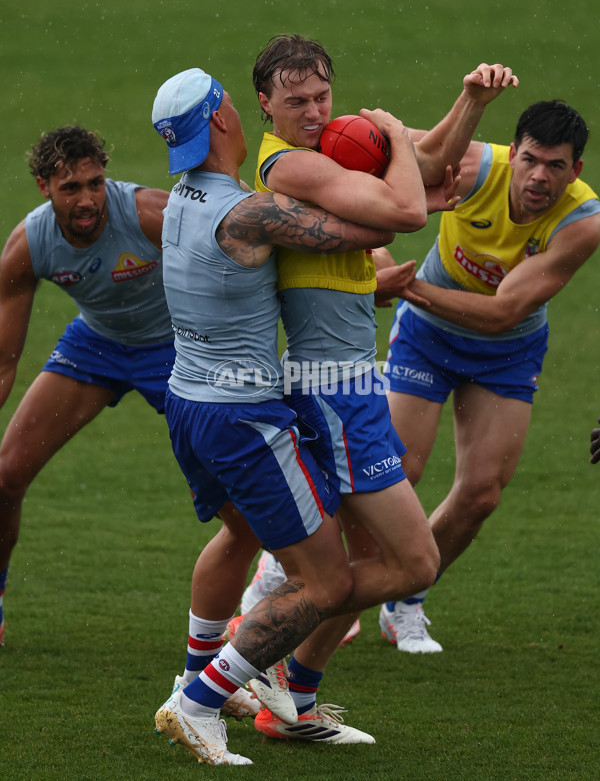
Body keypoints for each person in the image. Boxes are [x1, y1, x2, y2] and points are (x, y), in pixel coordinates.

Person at [150, 67, 438, 766]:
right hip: (242, 416)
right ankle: (203, 697)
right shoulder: (250, 213)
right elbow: (394, 219)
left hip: (186, 402)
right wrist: (398, 150)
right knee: (328, 580)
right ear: (224, 118)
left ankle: (205, 675)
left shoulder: (178, 200)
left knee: (243, 534)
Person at [240, 33, 518, 740]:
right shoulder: (289, 164)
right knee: (410, 562)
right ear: (264, 103)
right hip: (330, 387)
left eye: (322, 95)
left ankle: (292, 699)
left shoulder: (331, 143)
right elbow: (407, 209)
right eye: (296, 101)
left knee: (361, 558)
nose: (314, 111)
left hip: (352, 380)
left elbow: (429, 166)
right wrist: (394, 135)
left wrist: (471, 102)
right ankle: (239, 655)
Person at [380, 99, 600, 653]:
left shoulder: (583, 223)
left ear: (575, 169)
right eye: (530, 160)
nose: (539, 176)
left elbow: (504, 313)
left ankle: (405, 600)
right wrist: (377, 125)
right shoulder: (475, 165)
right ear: (513, 153)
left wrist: (407, 286)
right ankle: (299, 575)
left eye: (555, 166)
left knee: (481, 495)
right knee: (396, 471)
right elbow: (393, 146)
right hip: (428, 337)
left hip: (506, 350)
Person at [0, 126, 175, 650]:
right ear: (43, 187)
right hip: (96, 346)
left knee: (236, 493)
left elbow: (241, 248)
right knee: (5, 477)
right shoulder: (29, 244)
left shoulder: (150, 214)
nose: (86, 200)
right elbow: (3, 363)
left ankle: (278, 587)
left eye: (95, 184)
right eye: (70, 188)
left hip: (176, 349)